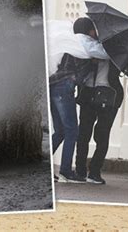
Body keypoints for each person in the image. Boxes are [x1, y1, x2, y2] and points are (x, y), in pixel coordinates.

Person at [48, 17, 109, 183]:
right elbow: (106, 53)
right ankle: (66, 171)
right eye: (93, 30)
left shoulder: (70, 40)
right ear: (88, 30)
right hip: (64, 87)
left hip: (53, 85)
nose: (95, 33)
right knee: (72, 131)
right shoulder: (86, 42)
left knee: (60, 131)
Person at [75, 57, 123, 185]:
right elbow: (77, 66)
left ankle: (94, 171)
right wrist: (90, 61)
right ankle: (80, 170)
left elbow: (123, 65)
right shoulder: (86, 46)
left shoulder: (117, 49)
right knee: (83, 133)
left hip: (108, 93)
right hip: (88, 91)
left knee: (102, 134)